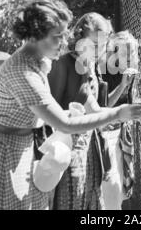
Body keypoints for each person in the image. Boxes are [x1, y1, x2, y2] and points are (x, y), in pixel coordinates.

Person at [0, 0, 141, 210]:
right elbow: (64, 124)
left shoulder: (42, 62)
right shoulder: (23, 71)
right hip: (6, 154)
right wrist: (118, 113)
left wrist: (127, 112)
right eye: (57, 36)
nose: (65, 41)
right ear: (36, 35)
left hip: (26, 148)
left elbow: (87, 108)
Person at [49, 12, 124, 210]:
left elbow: (97, 109)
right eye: (95, 45)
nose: (100, 50)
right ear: (79, 38)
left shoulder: (90, 65)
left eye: (103, 44)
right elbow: (51, 108)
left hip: (91, 148)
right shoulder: (65, 63)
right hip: (67, 151)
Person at [100, 30, 139, 210]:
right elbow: (103, 106)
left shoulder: (132, 73)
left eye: (132, 53)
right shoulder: (105, 73)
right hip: (106, 135)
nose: (130, 57)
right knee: (111, 188)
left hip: (122, 136)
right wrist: (123, 85)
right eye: (125, 53)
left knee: (122, 190)